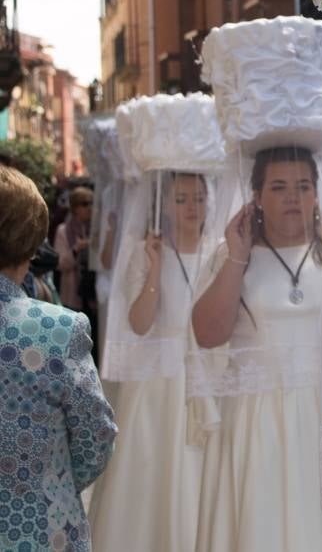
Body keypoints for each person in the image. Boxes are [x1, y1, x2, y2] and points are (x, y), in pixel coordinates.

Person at [191, 146, 322, 551]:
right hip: (257, 419)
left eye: (303, 186)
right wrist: (237, 257)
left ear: (317, 194)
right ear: (257, 196)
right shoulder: (234, 256)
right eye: (279, 186)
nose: (293, 196)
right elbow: (207, 334)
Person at [87, 172, 211, 551]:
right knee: (153, 477)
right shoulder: (146, 251)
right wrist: (156, 269)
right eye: (181, 199)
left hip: (206, 377)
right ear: (166, 207)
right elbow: (139, 324)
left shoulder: (221, 248)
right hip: (158, 380)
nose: (192, 207)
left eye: (199, 197)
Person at [0, 166, 117, 551]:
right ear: (34, 242)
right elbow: (95, 436)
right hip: (43, 529)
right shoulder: (57, 330)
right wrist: (52, 483)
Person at [54, 186, 99, 336]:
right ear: (75, 207)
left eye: (92, 203)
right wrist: (76, 249)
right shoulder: (63, 230)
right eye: (85, 204)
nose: (89, 208)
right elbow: (60, 263)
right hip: (73, 297)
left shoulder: (96, 230)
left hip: (93, 295)